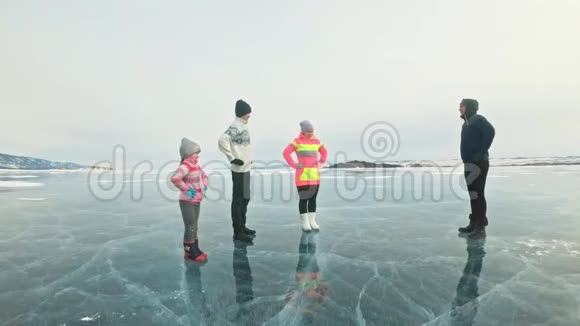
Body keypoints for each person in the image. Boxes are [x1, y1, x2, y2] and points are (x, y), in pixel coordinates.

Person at [218, 99, 255, 243]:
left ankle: (243, 226)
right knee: (238, 200)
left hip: (246, 168)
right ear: (241, 114)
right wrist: (232, 158)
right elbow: (222, 140)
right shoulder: (235, 126)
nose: (249, 116)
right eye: (247, 113)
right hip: (238, 169)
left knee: (245, 198)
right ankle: (238, 231)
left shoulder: (244, 126)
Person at [458, 99, 495, 239]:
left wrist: (481, 151)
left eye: (461, 106)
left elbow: (491, 132)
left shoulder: (478, 119)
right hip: (469, 163)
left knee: (478, 194)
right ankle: (473, 222)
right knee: (473, 194)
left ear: (468, 107)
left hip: (479, 162)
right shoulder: (466, 124)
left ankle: (480, 227)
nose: (459, 108)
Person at [283, 121, 328, 232]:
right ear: (303, 131)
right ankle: (305, 223)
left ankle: (312, 221)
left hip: (314, 176)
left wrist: (321, 162)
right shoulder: (297, 142)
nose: (310, 133)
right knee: (304, 199)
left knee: (313, 199)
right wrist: (294, 164)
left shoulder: (316, 141)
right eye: (308, 131)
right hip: (302, 176)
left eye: (312, 131)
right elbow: (285, 153)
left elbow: (324, 152)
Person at [171, 138, 209, 263]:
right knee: (190, 226)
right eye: (196, 153)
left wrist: (205, 184)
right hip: (187, 201)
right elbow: (176, 179)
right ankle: (189, 253)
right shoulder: (185, 166)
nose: (198, 155)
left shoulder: (196, 166)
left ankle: (195, 249)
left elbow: (204, 175)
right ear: (188, 154)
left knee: (194, 226)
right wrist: (187, 189)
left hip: (196, 200)